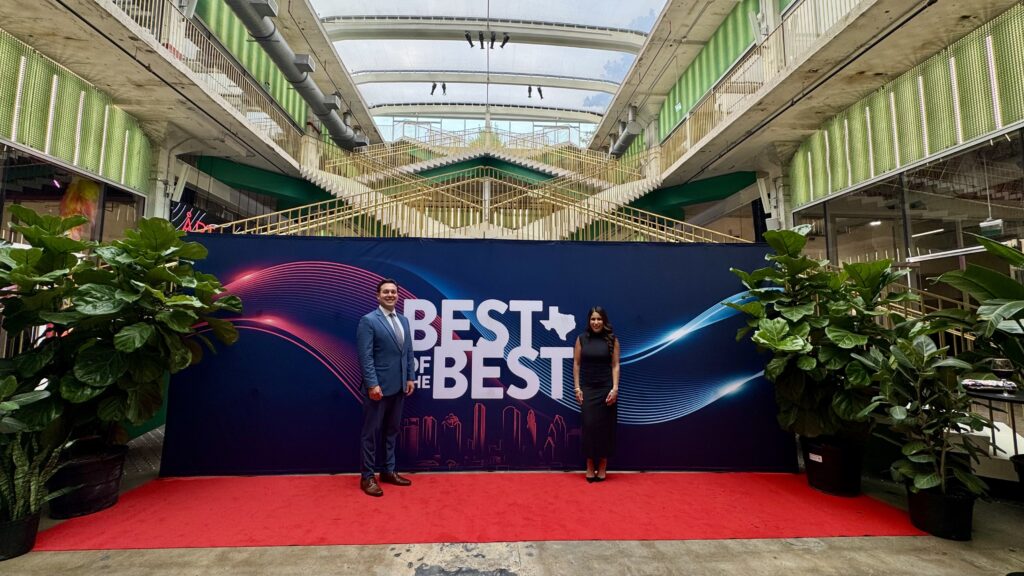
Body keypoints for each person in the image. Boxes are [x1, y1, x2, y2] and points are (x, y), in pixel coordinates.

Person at [356, 278, 415, 497]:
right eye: (386, 292)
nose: (390, 295)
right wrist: (372, 384)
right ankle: (367, 477)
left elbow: (408, 352)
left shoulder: (404, 321)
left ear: (398, 295)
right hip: (378, 389)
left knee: (392, 431)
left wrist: (410, 377)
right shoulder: (369, 321)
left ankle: (388, 471)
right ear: (378, 296)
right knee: (370, 434)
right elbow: (365, 357)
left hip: (399, 387)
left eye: (393, 292)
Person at [573, 306, 619, 482]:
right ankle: (590, 464)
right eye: (593, 319)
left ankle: (603, 465)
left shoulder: (612, 340)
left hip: (606, 389)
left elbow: (615, 365)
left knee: (605, 428)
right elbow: (576, 364)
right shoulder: (581, 339)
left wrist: (615, 389)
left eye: (599, 319)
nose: (596, 322)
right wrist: (577, 388)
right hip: (588, 389)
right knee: (589, 426)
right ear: (589, 321)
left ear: (604, 321)